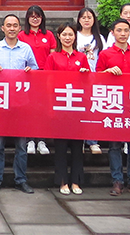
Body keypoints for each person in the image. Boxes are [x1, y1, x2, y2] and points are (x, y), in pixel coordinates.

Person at [0, 14, 39, 194]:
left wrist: (30, 71)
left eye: (15, 25)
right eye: (9, 25)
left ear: (19, 28)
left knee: (21, 146)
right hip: (0, 103)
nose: (12, 28)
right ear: (3, 28)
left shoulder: (26, 49)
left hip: (21, 104)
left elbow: (36, 70)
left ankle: (20, 179)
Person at [97, 19, 130, 197]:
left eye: (126, 30)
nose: (123, 34)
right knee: (114, 145)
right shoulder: (106, 54)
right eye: (119, 30)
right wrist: (107, 72)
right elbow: (97, 77)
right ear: (112, 33)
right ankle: (117, 180)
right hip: (114, 104)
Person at [46, 21, 90, 195]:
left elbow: (88, 82)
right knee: (61, 147)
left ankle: (76, 181)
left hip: (77, 106)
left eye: (70, 34)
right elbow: (47, 82)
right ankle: (63, 181)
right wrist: (50, 106)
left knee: (78, 147)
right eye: (64, 34)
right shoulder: (53, 57)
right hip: (59, 105)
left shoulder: (81, 57)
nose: (67, 37)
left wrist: (85, 75)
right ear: (58, 36)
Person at [18, 4, 56, 155]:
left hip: (44, 76)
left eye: (38, 16)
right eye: (32, 16)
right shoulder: (22, 35)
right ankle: (29, 140)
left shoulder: (49, 35)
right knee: (28, 108)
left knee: (42, 109)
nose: (35, 19)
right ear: (27, 19)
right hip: (27, 75)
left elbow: (52, 55)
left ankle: (41, 139)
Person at [75, 7, 106, 155]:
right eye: (83, 17)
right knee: (78, 108)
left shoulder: (100, 38)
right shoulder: (74, 35)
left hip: (94, 77)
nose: (86, 20)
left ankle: (93, 141)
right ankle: (79, 140)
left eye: (89, 17)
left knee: (92, 109)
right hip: (77, 77)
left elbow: (104, 57)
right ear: (79, 20)